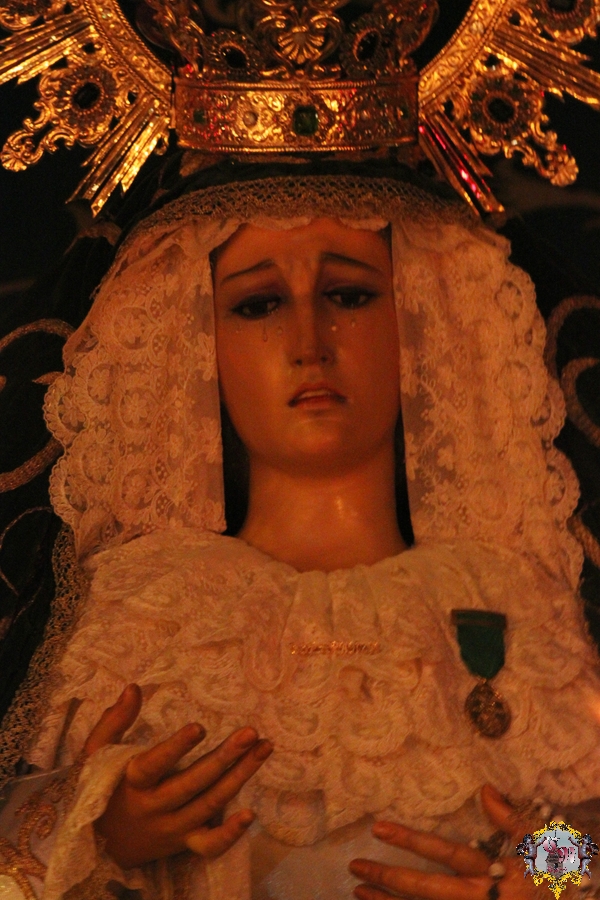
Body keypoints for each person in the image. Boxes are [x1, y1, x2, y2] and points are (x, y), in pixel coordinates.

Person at [2, 163, 600, 900]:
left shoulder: (519, 602)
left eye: (349, 295)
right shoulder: (128, 619)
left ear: (426, 316)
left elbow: (578, 840)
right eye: (258, 305)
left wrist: (546, 883)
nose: (309, 341)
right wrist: (98, 829)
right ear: (193, 339)